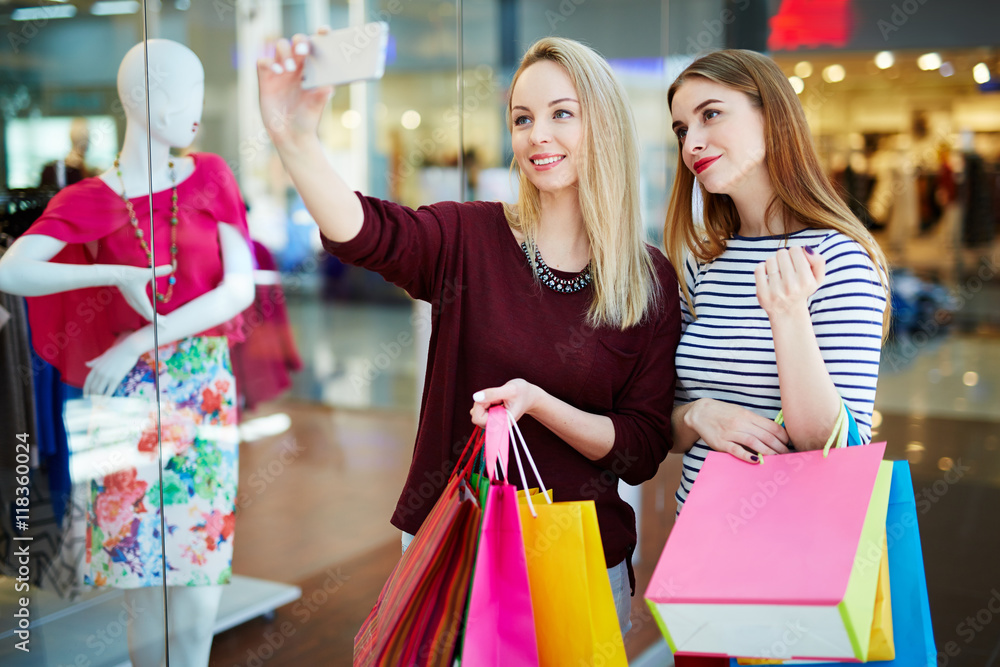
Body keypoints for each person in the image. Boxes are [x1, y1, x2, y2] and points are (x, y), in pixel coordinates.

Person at [257, 33, 681, 636]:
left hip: (581, 563)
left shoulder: (647, 281)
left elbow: (640, 449)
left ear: (606, 125)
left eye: (562, 114)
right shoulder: (469, 238)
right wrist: (293, 139)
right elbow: (367, 232)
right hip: (459, 553)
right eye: (522, 119)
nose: (538, 135)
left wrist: (539, 405)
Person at [0, 40, 255, 667]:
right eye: (180, 92)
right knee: (138, 580)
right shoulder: (88, 199)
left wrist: (146, 335)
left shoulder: (211, 175)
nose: (195, 109)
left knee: (197, 581)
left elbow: (239, 287)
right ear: (139, 98)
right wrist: (111, 276)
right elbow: (14, 269)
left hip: (201, 387)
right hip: (123, 399)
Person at [663, 49, 890, 521]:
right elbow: (659, 424)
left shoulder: (841, 258)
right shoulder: (701, 263)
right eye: (682, 129)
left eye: (711, 115)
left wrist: (787, 315)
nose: (692, 144)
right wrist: (697, 414)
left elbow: (833, 445)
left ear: (772, 117)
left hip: (791, 546)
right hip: (696, 534)